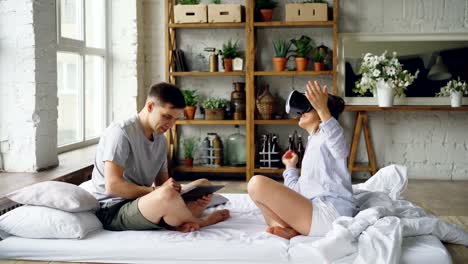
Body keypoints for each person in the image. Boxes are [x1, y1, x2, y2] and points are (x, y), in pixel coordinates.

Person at [84, 82, 230, 233]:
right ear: (150, 106)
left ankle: (179, 218)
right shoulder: (121, 133)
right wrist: (159, 190)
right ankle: (200, 221)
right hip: (114, 210)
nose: (171, 124)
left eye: (175, 119)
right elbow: (113, 187)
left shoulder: (161, 140)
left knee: (203, 184)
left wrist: (182, 191)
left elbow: (163, 183)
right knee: (166, 195)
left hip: (144, 202)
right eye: (167, 116)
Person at [248, 80, 356, 239]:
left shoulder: (329, 136)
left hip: (332, 213)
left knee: (256, 183)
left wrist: (322, 109)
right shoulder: (313, 141)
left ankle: (288, 226)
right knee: (257, 194)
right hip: (315, 210)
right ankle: (291, 229)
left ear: (320, 117)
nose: (301, 111)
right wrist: (290, 167)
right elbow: (298, 192)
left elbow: (340, 149)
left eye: (310, 106)